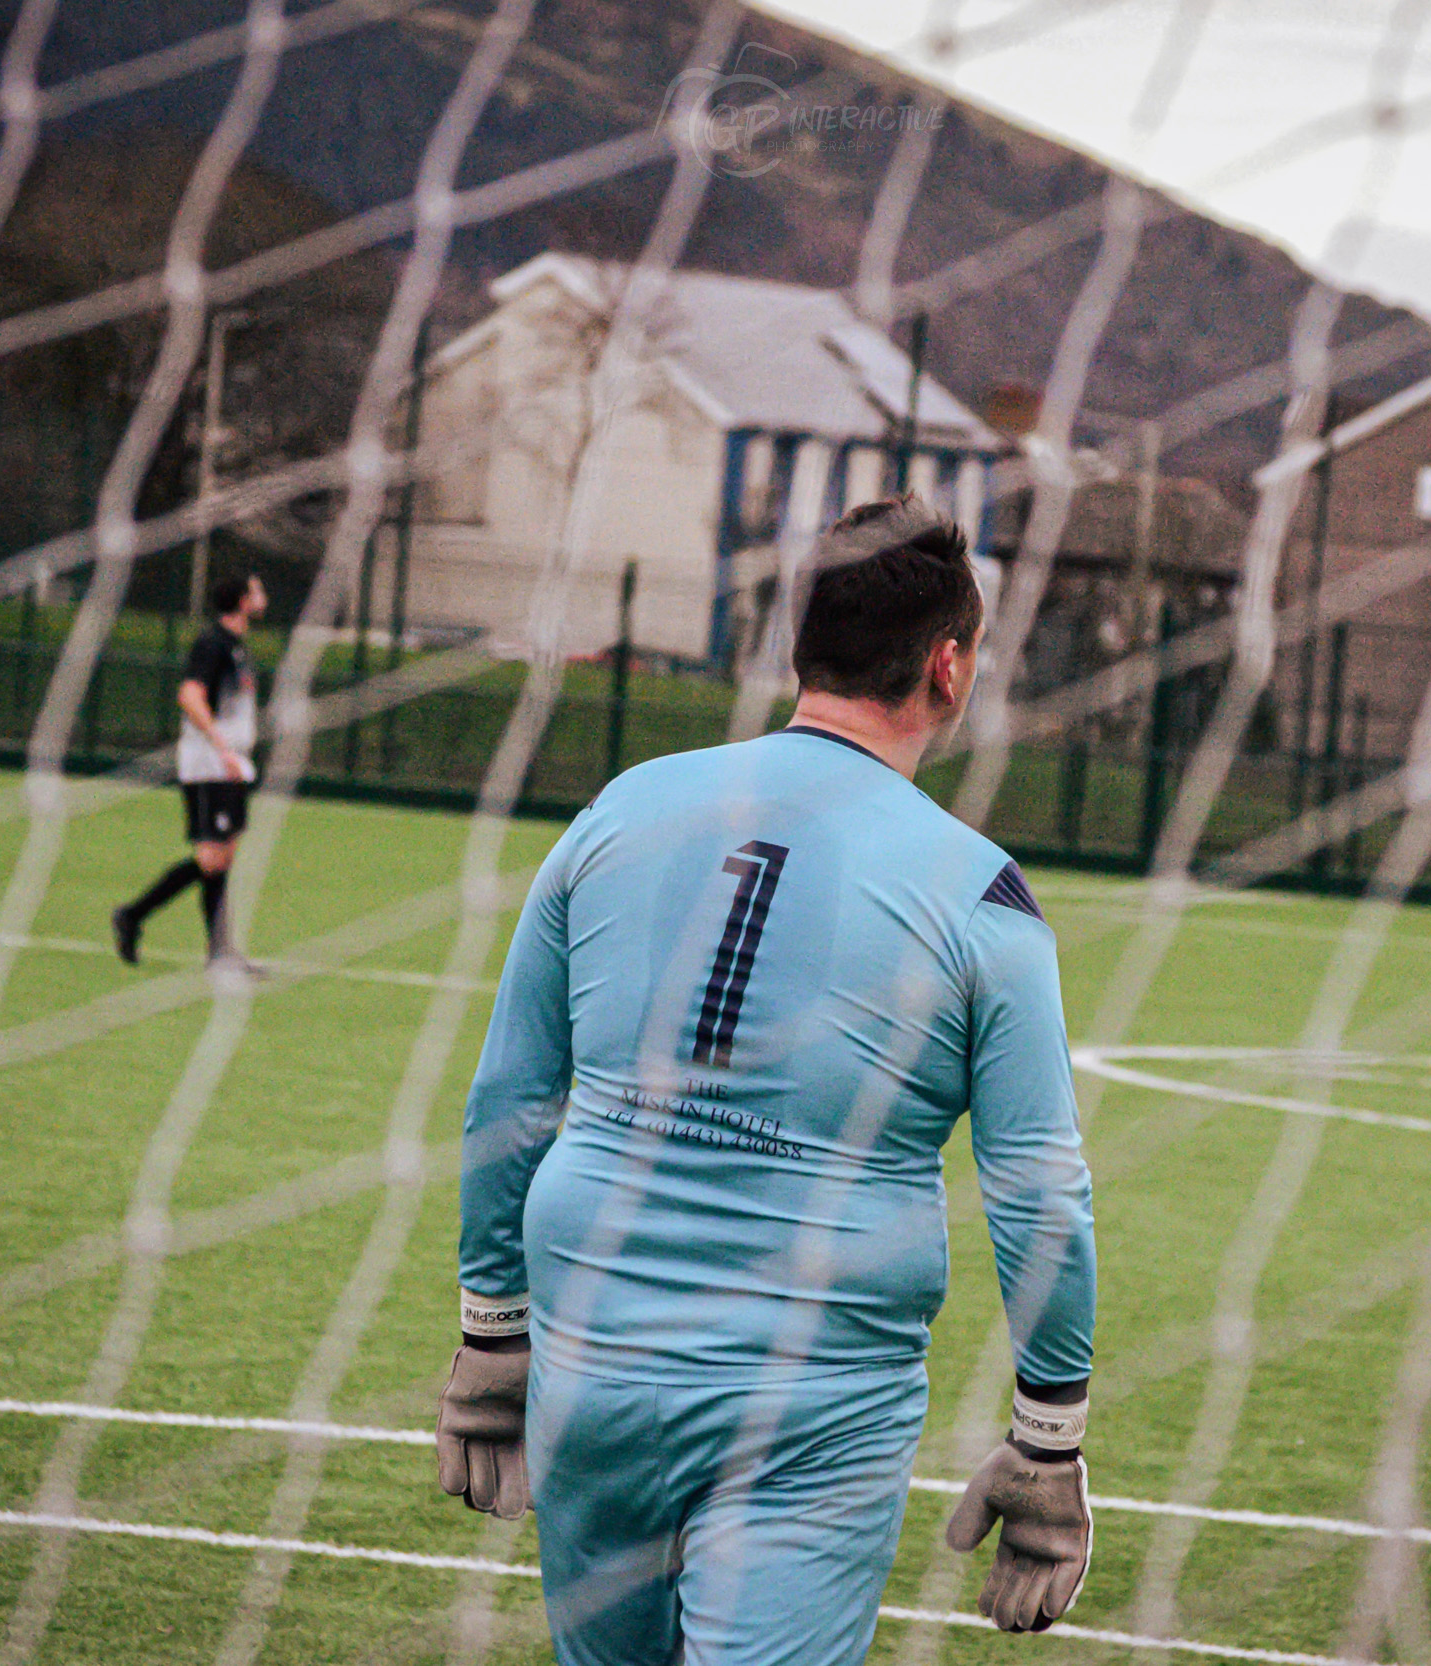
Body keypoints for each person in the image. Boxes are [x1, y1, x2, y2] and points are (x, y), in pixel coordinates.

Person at [437, 497, 1097, 1664]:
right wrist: (1046, 1442)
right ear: (948, 667)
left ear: (802, 647)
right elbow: (1039, 1194)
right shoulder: (980, 893)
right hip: (810, 1402)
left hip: (592, 1357)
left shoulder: (617, 809)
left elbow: (509, 1096)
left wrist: (493, 1329)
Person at [112, 573, 267, 968]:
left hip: (230, 766)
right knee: (212, 859)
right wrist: (222, 748)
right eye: (257, 590)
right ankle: (133, 915)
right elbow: (190, 695)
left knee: (222, 857)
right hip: (210, 765)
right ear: (243, 600)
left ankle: (220, 953)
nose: (263, 597)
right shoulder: (212, 643)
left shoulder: (236, 647)